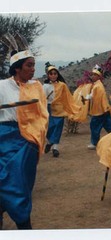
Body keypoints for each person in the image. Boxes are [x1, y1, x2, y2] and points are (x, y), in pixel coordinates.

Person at [0, 46, 48, 229]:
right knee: (3, 181)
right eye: (29, 65)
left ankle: (23, 225)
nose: (33, 69)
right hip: (3, 137)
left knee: (19, 184)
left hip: (27, 140)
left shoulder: (36, 87)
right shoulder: (2, 86)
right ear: (17, 68)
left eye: (34, 65)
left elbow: (42, 114)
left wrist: (35, 136)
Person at [43, 64, 81, 157]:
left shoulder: (62, 85)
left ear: (57, 74)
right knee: (49, 127)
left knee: (58, 128)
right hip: (48, 109)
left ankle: (55, 148)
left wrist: (72, 106)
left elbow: (67, 96)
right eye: (51, 74)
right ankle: (50, 142)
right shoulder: (45, 86)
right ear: (48, 75)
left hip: (59, 109)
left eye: (55, 73)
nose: (53, 75)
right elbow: (42, 98)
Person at [86, 64, 111, 150]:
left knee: (94, 126)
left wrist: (105, 107)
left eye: (95, 75)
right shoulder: (97, 85)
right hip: (103, 110)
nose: (93, 76)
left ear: (99, 76)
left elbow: (100, 98)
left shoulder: (98, 86)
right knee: (109, 126)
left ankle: (94, 143)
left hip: (99, 111)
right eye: (92, 74)